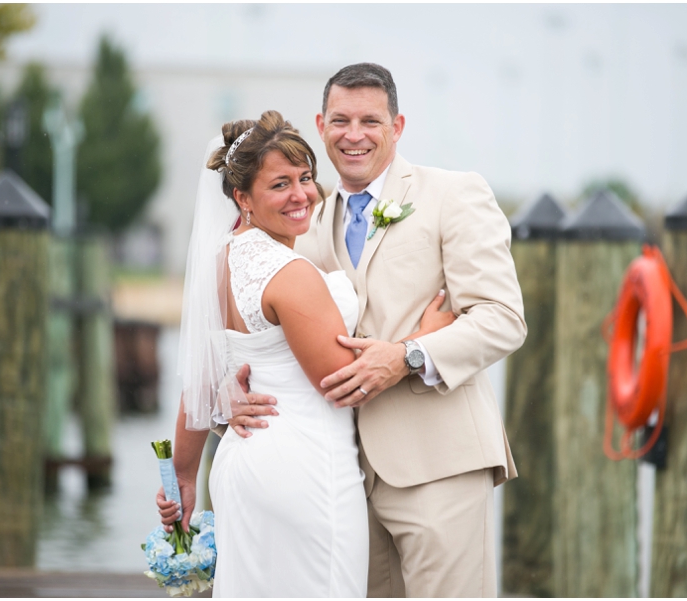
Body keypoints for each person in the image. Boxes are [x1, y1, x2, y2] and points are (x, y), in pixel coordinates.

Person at [224, 63, 526, 597]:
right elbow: (267, 321)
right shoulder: (305, 215)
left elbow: (503, 319)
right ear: (321, 125)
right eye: (341, 120)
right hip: (340, 477)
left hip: (440, 465)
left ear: (398, 126)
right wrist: (235, 385)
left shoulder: (454, 194)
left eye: (371, 121)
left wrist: (409, 354)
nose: (354, 135)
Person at [156, 110, 454, 597]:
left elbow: (199, 383)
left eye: (306, 177)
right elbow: (342, 382)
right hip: (305, 468)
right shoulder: (288, 272)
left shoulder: (219, 263)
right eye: (280, 185)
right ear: (242, 198)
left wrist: (185, 477)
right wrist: (419, 343)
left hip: (240, 467)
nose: (301, 195)